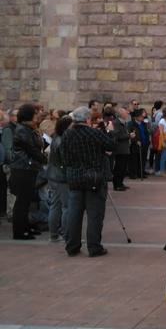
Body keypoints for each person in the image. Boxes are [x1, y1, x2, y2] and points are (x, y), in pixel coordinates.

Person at [62, 106, 116, 257]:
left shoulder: (67, 134)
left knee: (74, 213)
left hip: (74, 177)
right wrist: (110, 131)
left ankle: (72, 245)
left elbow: (64, 156)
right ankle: (94, 247)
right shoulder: (94, 133)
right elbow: (111, 145)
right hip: (94, 177)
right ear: (87, 119)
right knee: (95, 214)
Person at [9, 103, 46, 240]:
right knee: (22, 202)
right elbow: (32, 149)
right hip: (23, 169)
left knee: (27, 201)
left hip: (28, 168)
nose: (38, 115)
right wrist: (44, 158)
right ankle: (19, 231)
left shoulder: (28, 129)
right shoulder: (22, 130)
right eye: (35, 113)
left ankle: (26, 227)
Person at [46, 114, 72, 243]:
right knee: (66, 206)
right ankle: (67, 235)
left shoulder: (56, 137)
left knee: (55, 205)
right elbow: (66, 160)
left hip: (53, 175)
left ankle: (54, 234)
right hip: (61, 176)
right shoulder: (62, 141)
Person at [111, 106, 131, 191]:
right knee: (119, 167)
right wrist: (128, 136)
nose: (127, 113)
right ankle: (117, 184)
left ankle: (121, 182)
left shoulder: (123, 122)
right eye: (125, 112)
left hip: (125, 148)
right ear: (121, 114)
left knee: (123, 168)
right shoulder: (116, 122)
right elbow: (117, 135)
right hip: (120, 149)